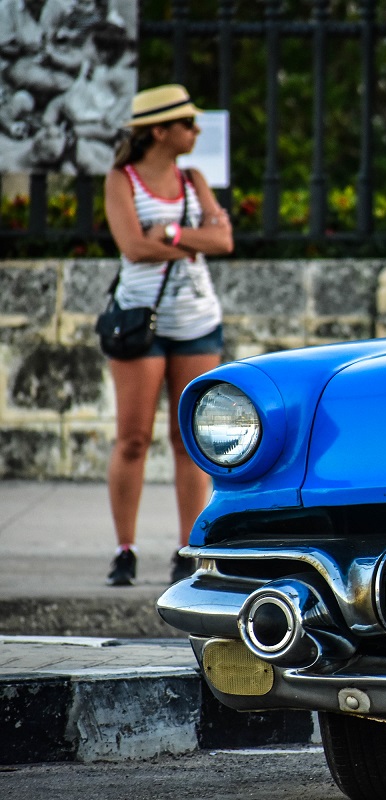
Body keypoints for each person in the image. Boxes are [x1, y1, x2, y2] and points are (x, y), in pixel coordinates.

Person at [102, 84, 233, 586]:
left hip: (197, 321)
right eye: (187, 124)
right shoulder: (122, 180)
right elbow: (133, 247)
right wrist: (187, 243)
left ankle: (189, 550)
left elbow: (223, 239)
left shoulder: (193, 178)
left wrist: (174, 236)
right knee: (133, 439)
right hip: (140, 320)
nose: (196, 131)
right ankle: (125, 550)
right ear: (160, 131)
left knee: (189, 439)